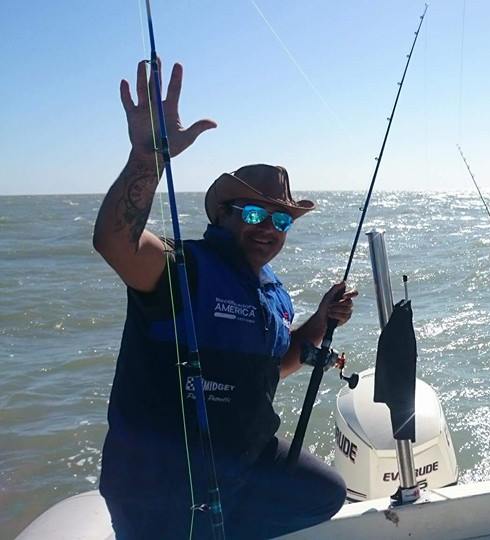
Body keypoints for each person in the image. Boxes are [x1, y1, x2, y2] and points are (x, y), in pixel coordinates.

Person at [92, 61, 357, 539]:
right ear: (222, 215)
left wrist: (321, 319)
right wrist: (148, 158)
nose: (268, 228)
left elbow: (275, 366)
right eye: (254, 213)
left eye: (281, 220)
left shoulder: (272, 293)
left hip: (243, 465)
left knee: (323, 493)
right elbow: (115, 242)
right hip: (160, 482)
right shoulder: (183, 268)